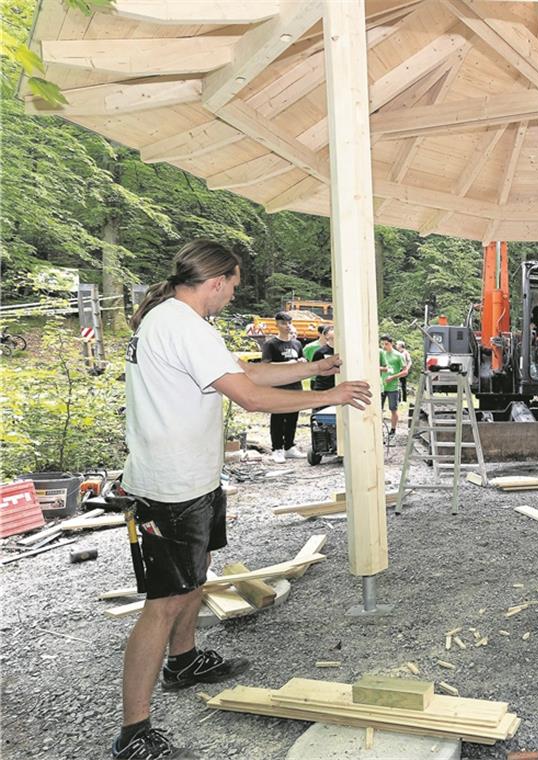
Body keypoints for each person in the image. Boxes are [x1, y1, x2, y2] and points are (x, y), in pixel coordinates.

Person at [115, 240, 370, 760]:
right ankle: (133, 731)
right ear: (215, 281)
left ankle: (183, 661)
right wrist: (331, 396)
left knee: (196, 575)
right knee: (162, 603)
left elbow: (244, 374)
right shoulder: (180, 324)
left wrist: (312, 372)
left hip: (193, 480)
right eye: (232, 286)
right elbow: (250, 397)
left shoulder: (179, 321)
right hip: (169, 488)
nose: (232, 295)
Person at [261, 312, 304, 462]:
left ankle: (289, 446)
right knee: (278, 418)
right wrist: (288, 364)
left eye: (289, 323)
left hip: (295, 385)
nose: (287, 326)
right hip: (278, 386)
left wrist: (302, 361)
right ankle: (277, 448)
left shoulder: (297, 344)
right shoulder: (271, 344)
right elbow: (266, 365)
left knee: (293, 417)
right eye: (283, 323)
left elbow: (301, 359)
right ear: (277, 325)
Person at [379, 335, 408, 440]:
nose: (384, 346)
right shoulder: (381, 353)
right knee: (378, 409)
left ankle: (393, 429)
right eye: (382, 344)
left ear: (391, 343)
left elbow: (405, 371)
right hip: (381, 385)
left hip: (393, 386)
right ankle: (379, 429)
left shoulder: (398, 355)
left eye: (386, 344)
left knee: (393, 409)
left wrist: (394, 377)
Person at [311, 326, 336, 392]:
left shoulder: (343, 351)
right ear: (326, 336)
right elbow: (315, 369)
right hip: (323, 387)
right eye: (332, 329)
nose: (334, 331)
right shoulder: (320, 352)